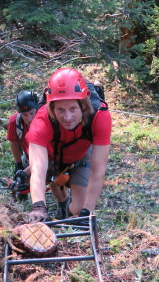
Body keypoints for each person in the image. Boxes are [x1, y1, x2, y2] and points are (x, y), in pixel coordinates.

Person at [26, 67, 112, 223]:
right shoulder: (41, 120)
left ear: (83, 105)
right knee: (52, 179)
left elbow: (98, 169)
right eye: (60, 110)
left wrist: (87, 211)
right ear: (51, 108)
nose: (67, 117)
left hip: (81, 153)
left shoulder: (99, 116)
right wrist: (38, 207)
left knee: (78, 209)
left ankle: (71, 205)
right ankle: (61, 201)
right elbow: (38, 168)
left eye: (73, 108)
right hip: (54, 154)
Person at [6, 91, 70, 215]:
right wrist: (18, 164)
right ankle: (23, 195)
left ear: (37, 109)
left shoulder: (48, 122)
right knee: (21, 182)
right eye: (24, 115)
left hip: (57, 159)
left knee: (55, 182)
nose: (29, 119)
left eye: (31, 113)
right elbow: (14, 142)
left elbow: (46, 157)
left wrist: (24, 174)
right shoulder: (15, 123)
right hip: (30, 157)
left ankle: (64, 206)